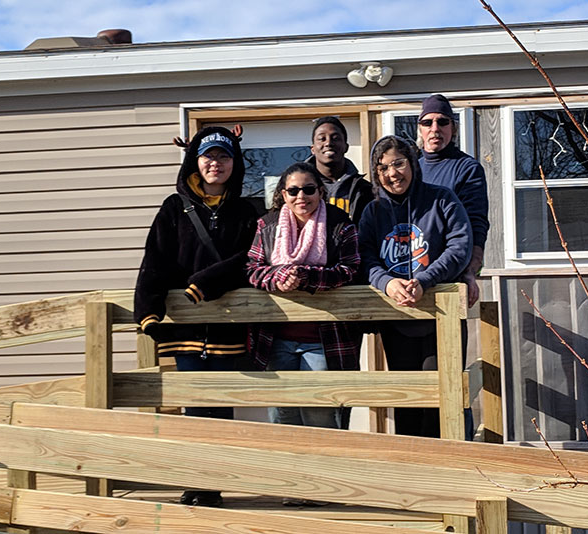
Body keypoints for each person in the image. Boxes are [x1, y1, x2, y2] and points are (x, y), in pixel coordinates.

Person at [134, 126, 258, 507]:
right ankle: (193, 483)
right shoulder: (174, 207)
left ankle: (214, 486)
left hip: (227, 323)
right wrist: (149, 311)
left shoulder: (246, 210)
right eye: (208, 157)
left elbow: (250, 260)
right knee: (191, 409)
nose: (215, 164)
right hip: (185, 328)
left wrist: (207, 281)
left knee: (219, 408)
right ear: (195, 161)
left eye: (223, 157)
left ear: (233, 164)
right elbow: (155, 259)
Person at [358, 135, 472, 438]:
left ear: (412, 164)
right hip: (398, 319)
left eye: (398, 163)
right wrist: (387, 282)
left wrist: (424, 280)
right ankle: (414, 473)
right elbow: (365, 256)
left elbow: (460, 248)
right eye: (382, 168)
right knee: (407, 401)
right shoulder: (373, 211)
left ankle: (448, 471)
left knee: (442, 396)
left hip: (441, 317)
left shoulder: (443, 199)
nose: (392, 173)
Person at [247, 162, 361, 432]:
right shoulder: (266, 225)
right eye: (293, 190)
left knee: (320, 414)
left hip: (324, 339)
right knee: (281, 415)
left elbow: (352, 270)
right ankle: (288, 474)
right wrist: (279, 278)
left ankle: (324, 474)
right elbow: (251, 269)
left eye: (309, 189)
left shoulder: (340, 225)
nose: (301, 196)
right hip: (276, 337)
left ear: (320, 191)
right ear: (283, 194)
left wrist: (308, 277)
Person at [417, 94, 488, 308]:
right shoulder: (410, 169)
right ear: (420, 129)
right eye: (427, 122)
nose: (435, 128)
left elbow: (477, 223)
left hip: (449, 278)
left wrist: (469, 272)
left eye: (443, 121)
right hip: (412, 277)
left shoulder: (467, 168)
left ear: (453, 128)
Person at [307, 116, 374, 225]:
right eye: (322, 139)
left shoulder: (365, 190)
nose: (328, 143)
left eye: (335, 138)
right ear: (313, 149)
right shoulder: (300, 189)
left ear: (346, 147)